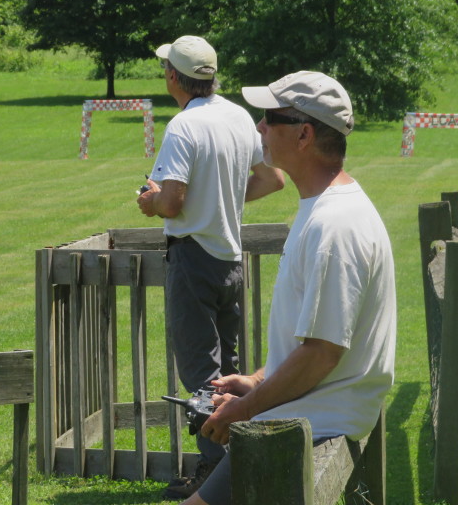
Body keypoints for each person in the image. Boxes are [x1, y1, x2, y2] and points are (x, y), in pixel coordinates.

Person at [179, 70, 396, 505]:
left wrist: (246, 408)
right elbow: (315, 342)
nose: (259, 126)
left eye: (269, 117)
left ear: (303, 135)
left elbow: (322, 352)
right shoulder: (326, 207)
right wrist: (256, 380)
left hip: (311, 425)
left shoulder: (333, 226)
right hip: (309, 416)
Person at [136, 35, 285, 499]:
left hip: (193, 257)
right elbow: (272, 179)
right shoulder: (238, 116)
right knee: (229, 371)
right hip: (229, 260)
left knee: (201, 374)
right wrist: (219, 199)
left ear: (174, 77)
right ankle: (240, 464)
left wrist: (149, 202)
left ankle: (217, 478)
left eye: (166, 69)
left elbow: (173, 201)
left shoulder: (184, 126)